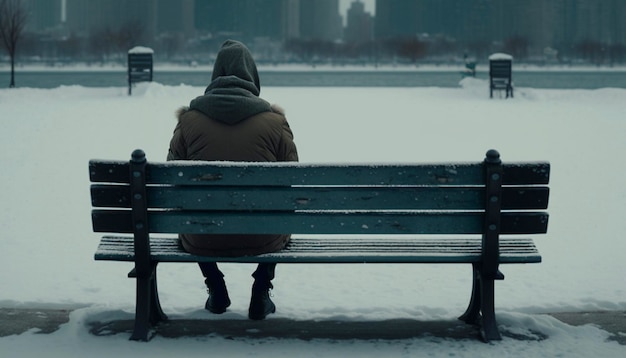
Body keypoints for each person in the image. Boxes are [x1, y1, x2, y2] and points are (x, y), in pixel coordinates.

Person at [167, 40, 298, 320]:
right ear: (252, 75)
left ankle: (215, 286)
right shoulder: (274, 122)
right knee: (280, 214)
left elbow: (172, 180)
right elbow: (290, 180)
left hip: (202, 236)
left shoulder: (189, 121)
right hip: (264, 237)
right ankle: (261, 291)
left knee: (193, 214)